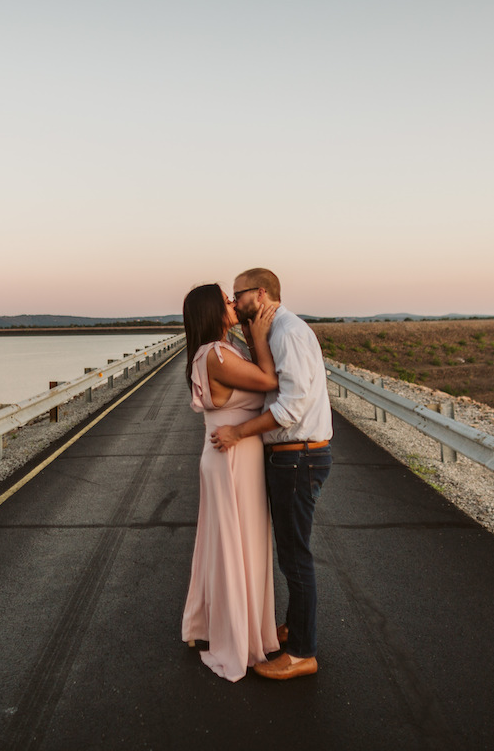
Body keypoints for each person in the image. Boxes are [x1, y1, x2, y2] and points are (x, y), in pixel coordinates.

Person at [211, 268, 333, 680]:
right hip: (292, 456)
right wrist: (253, 340)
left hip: (298, 456)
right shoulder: (272, 331)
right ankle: (296, 629)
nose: (234, 300)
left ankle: (302, 653)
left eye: (238, 294)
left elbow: (291, 408)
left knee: (295, 556)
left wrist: (237, 432)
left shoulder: (287, 333)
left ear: (260, 293)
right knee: (290, 553)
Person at [180, 283, 281, 682]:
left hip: (231, 455)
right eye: (225, 300)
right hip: (232, 456)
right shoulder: (219, 354)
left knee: (226, 543)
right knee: (239, 543)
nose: (232, 304)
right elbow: (269, 380)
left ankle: (209, 623)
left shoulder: (220, 350)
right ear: (212, 312)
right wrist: (258, 336)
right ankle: (237, 633)